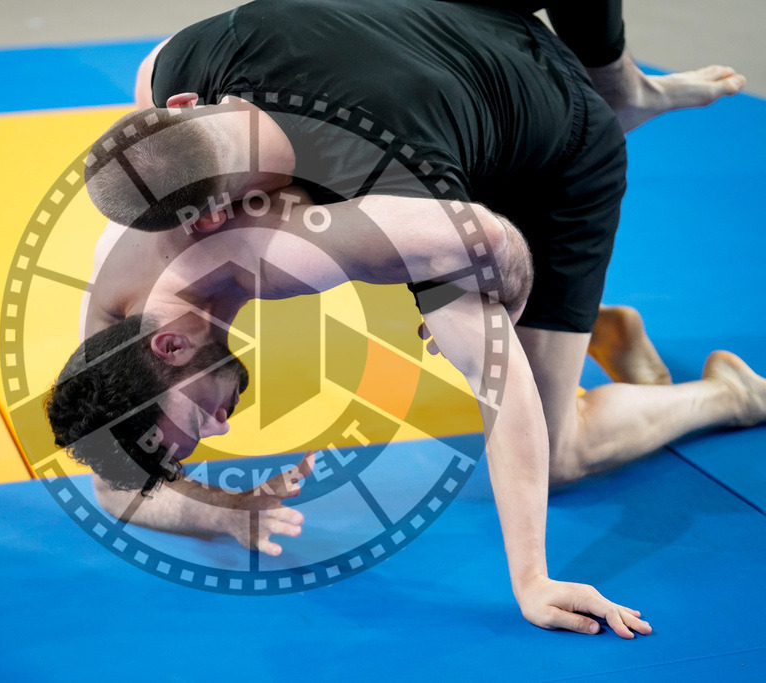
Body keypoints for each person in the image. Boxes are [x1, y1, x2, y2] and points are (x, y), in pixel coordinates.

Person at [49, 0, 755, 639]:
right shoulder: (167, 92)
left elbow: (495, 278)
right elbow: (116, 484)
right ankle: (596, 302)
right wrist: (218, 512)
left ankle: (731, 392)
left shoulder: (326, 229)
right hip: (440, 33)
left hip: (553, 140)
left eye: (194, 426)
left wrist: (532, 577)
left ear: (170, 343)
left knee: (559, 456)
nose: (221, 429)